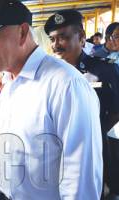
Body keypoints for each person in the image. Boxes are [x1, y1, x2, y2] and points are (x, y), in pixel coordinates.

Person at [0, 0, 102, 199]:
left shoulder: (66, 85)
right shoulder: (10, 81)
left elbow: (80, 176)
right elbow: (12, 140)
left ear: (23, 33)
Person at [44, 9, 119, 199]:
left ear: (82, 37)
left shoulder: (104, 69)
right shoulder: (49, 75)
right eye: (52, 39)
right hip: (56, 154)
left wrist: (95, 132)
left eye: (63, 37)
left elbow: (117, 110)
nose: (56, 45)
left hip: (93, 152)